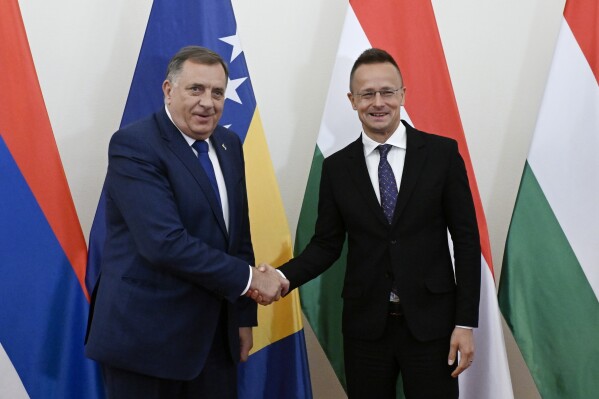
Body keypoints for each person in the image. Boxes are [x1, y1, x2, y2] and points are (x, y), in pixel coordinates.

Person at [276, 48, 481, 398]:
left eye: (387, 92)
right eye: (367, 94)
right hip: (365, 327)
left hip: (432, 326)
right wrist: (281, 277)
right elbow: (326, 244)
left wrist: (465, 323)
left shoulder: (441, 155)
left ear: (402, 94)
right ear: (352, 100)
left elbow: (465, 240)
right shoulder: (337, 168)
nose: (378, 102)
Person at [85, 46, 287, 399]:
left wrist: (242, 317)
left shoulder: (228, 144)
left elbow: (237, 237)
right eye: (196, 89)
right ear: (168, 89)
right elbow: (164, 243)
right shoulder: (134, 145)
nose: (208, 102)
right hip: (146, 343)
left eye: (217, 92)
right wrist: (253, 279)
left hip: (214, 342)